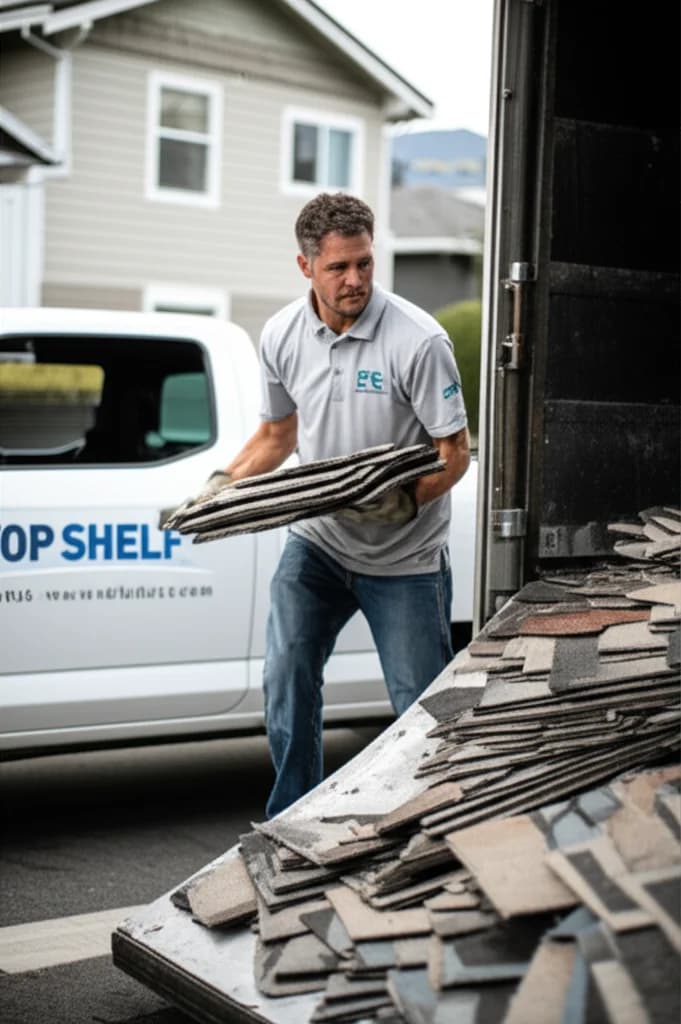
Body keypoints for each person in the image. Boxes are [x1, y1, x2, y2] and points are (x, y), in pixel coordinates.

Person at [194, 192, 470, 818]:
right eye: (338, 268)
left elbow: (453, 450)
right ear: (305, 266)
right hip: (318, 542)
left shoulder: (420, 341)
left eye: (365, 264)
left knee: (419, 703)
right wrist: (221, 484)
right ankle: (293, 814)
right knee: (287, 675)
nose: (355, 281)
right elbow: (277, 436)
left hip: (405, 556)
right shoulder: (282, 334)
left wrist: (405, 502)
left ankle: (435, 820)